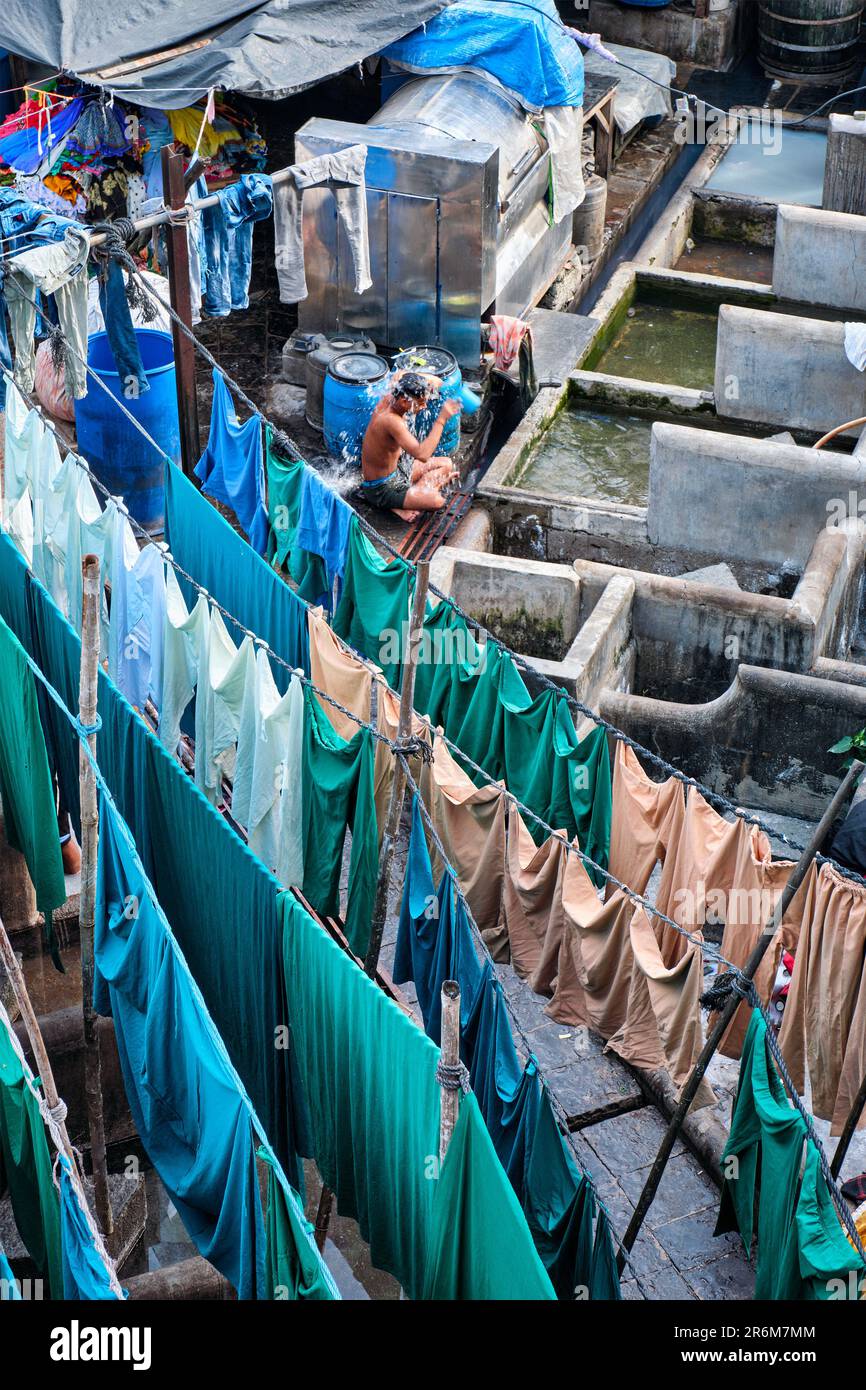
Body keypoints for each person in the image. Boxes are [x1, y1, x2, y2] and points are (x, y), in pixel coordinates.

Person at [360, 370, 460, 514]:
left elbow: (437, 381)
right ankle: (399, 503)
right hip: (380, 489)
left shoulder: (394, 393)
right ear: (404, 401)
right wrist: (442, 419)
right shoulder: (391, 421)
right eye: (420, 403)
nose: (424, 406)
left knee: (446, 463)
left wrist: (415, 379)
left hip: (399, 471)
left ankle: (413, 497)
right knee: (438, 501)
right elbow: (423, 455)